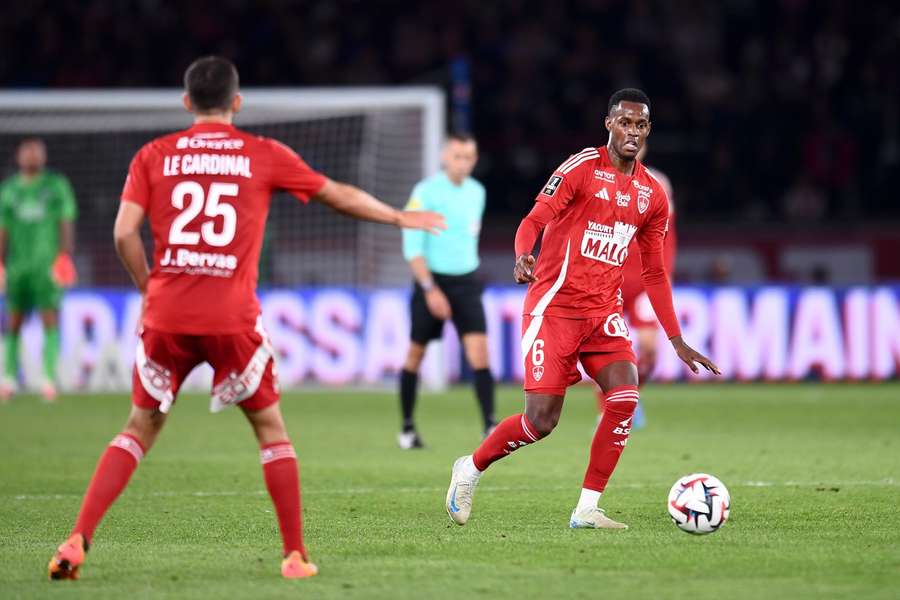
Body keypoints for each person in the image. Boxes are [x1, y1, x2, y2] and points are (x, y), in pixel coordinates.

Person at [47, 56, 444, 582]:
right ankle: (295, 555)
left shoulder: (154, 155)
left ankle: (78, 537)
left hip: (166, 315)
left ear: (187, 103)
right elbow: (335, 194)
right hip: (231, 317)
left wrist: (150, 288)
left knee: (139, 427)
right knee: (270, 430)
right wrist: (396, 215)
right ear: (237, 102)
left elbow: (123, 234)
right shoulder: (262, 154)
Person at [444, 88, 719, 530]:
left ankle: (587, 507)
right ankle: (471, 467)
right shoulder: (580, 168)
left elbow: (654, 274)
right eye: (624, 122)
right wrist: (523, 253)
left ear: (648, 131)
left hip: (603, 313)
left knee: (625, 395)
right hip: (554, 307)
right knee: (540, 422)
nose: (632, 131)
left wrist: (676, 340)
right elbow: (534, 219)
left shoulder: (651, 194)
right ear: (608, 123)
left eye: (641, 125)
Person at [398, 133, 495, 448]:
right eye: (457, 156)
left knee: (479, 353)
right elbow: (413, 248)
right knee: (416, 354)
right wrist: (430, 289)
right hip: (433, 281)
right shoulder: (425, 192)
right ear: (444, 157)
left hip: (466, 282)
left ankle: (490, 427)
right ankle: (408, 429)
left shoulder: (477, 192)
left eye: (469, 157)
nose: (463, 163)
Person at [595, 143, 677, 428]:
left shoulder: (657, 183)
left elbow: (668, 235)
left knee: (649, 350)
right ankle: (607, 410)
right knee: (605, 350)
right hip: (608, 280)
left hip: (643, 283)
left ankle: (631, 397)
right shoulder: (597, 177)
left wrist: (666, 274)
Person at [0, 138, 78, 403]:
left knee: (49, 319)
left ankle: (47, 379)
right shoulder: (9, 191)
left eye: (37, 151)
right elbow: (3, 229)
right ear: (19, 156)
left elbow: (66, 221)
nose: (32, 156)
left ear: (43, 157)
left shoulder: (55, 186)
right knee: (13, 321)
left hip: (46, 266)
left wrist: (65, 258)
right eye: (28, 151)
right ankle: (8, 378)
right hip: (17, 267)